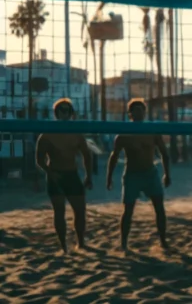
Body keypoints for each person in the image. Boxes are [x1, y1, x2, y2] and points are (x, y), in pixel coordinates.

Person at [105, 99, 172, 252]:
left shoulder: (152, 130)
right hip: (132, 174)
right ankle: (123, 243)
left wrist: (167, 174)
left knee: (159, 208)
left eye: (141, 110)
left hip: (150, 172)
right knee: (128, 211)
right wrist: (109, 177)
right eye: (135, 111)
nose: (139, 113)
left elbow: (164, 153)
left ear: (144, 112)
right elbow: (114, 157)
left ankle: (163, 241)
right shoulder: (123, 134)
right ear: (130, 114)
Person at [35, 99, 93, 253]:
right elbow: (39, 159)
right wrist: (49, 172)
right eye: (61, 110)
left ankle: (80, 242)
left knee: (80, 210)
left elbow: (87, 155)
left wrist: (88, 176)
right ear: (56, 113)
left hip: (72, 175)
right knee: (59, 212)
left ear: (71, 113)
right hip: (56, 175)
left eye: (67, 110)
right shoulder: (47, 134)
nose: (64, 113)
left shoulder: (76, 133)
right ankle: (63, 246)